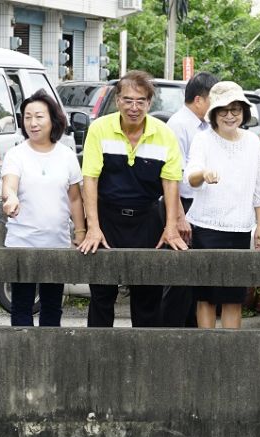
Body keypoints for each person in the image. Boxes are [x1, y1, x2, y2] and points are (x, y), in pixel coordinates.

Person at [78, 69, 187, 328]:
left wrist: (171, 226)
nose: (134, 107)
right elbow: (90, 179)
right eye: (127, 100)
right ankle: (98, 350)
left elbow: (171, 183)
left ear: (150, 103)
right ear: (117, 100)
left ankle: (145, 352)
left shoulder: (164, 134)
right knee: (101, 294)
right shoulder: (99, 128)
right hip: (107, 217)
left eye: (140, 101)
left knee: (147, 296)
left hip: (147, 219)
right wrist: (92, 227)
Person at [185, 81, 260, 329]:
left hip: (240, 229)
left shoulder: (252, 141)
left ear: (244, 112)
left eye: (236, 110)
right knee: (206, 296)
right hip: (206, 228)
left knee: (234, 297)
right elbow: (190, 176)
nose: (230, 116)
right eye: (223, 110)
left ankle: (231, 349)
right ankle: (208, 348)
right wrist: (203, 174)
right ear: (213, 113)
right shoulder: (203, 139)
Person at [0, 90, 85, 327]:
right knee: (21, 305)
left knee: (52, 306)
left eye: (39, 116)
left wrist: (80, 232)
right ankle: (22, 350)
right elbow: (9, 185)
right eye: (27, 117)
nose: (33, 123)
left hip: (56, 243)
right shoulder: (16, 154)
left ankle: (50, 350)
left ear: (53, 119)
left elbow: (75, 199)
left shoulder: (66, 155)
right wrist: (11, 198)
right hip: (22, 242)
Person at [161, 70, 219, 327]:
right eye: (214, 100)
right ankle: (172, 333)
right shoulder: (178, 125)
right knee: (179, 278)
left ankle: (191, 331)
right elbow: (172, 176)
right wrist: (178, 217)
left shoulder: (206, 125)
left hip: (200, 206)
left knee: (195, 277)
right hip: (181, 205)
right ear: (199, 100)